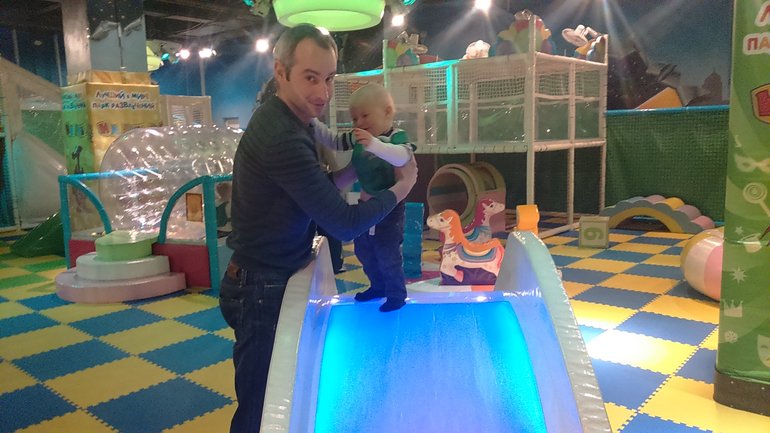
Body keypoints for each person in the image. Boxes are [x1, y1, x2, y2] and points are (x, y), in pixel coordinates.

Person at [219, 24, 418, 433]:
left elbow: (307, 191)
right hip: (260, 288)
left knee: (277, 401)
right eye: (311, 78)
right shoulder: (283, 136)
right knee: (259, 410)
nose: (323, 93)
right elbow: (344, 224)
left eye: (328, 79)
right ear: (280, 72)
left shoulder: (294, 122)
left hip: (267, 278)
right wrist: (402, 188)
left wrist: (354, 174)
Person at [313, 83, 415, 312]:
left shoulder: (396, 138)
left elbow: (402, 157)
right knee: (364, 250)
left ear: (387, 112)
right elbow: (334, 141)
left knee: (387, 252)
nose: (359, 123)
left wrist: (375, 145)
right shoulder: (359, 137)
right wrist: (312, 123)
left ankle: (396, 293)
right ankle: (377, 286)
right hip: (365, 206)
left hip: (390, 210)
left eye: (365, 115)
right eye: (354, 118)